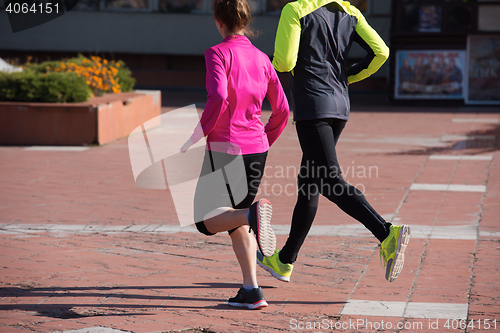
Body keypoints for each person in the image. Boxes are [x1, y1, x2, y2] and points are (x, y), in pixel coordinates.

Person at [257, 0, 410, 283]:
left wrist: (273, 63)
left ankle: (386, 233)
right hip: (339, 105)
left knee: (327, 180)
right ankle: (285, 260)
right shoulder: (351, 11)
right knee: (309, 181)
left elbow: (285, 61)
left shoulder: (296, 9)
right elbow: (381, 52)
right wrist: (349, 75)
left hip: (313, 107)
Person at [180, 0, 289, 309]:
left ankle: (251, 214)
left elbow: (218, 97)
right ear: (245, 20)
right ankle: (252, 290)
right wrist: (263, 141)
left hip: (225, 148)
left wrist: (196, 135)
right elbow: (282, 109)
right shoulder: (262, 59)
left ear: (219, 21)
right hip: (257, 150)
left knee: (204, 220)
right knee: (233, 220)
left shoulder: (217, 53)